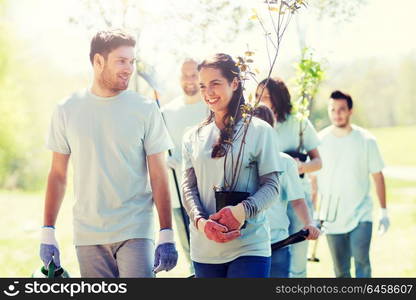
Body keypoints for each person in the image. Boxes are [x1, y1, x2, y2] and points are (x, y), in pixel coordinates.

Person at [40, 29, 178, 278]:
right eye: (121, 61)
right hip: (88, 233)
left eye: (131, 62)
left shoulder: (145, 109)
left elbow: (159, 175)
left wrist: (166, 232)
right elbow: (58, 174)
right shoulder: (66, 109)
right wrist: (47, 231)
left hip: (135, 228)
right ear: (98, 61)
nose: (128, 68)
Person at [181, 53, 283, 278]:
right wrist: (201, 222)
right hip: (204, 250)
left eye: (215, 84)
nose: (208, 92)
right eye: (203, 86)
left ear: (235, 83)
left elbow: (273, 186)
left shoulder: (259, 131)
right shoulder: (192, 137)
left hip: (250, 248)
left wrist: (241, 211)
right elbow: (189, 188)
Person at [312, 90, 390, 278]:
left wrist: (384, 212)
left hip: (361, 214)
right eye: (333, 109)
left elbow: (378, 177)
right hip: (331, 218)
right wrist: (314, 214)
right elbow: (313, 181)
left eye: (342, 109)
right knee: (341, 271)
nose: (337, 114)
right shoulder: (319, 142)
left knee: (362, 263)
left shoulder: (367, 141)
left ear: (350, 111)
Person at [256, 77, 322, 278]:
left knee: (298, 260)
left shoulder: (299, 123)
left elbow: (318, 162)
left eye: (266, 97)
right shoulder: (255, 124)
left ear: (278, 98)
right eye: (258, 96)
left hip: (296, 196)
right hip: (271, 203)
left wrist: (300, 167)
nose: (261, 101)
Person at [161, 58, 208, 273]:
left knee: (211, 251)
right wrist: (164, 160)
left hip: (206, 193)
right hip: (177, 195)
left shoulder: (210, 107)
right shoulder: (166, 112)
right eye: (184, 75)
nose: (189, 80)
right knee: (190, 254)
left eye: (193, 75)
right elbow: (153, 148)